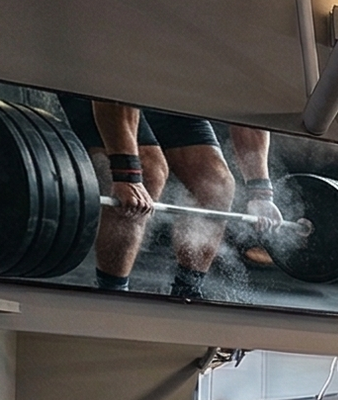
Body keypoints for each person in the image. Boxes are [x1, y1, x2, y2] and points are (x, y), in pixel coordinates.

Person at [63, 97, 276, 299]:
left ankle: (186, 293)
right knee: (149, 172)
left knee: (217, 185)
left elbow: (252, 118)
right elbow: (113, 88)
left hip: (164, 92)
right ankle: (112, 294)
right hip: (106, 86)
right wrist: (126, 175)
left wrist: (261, 194)